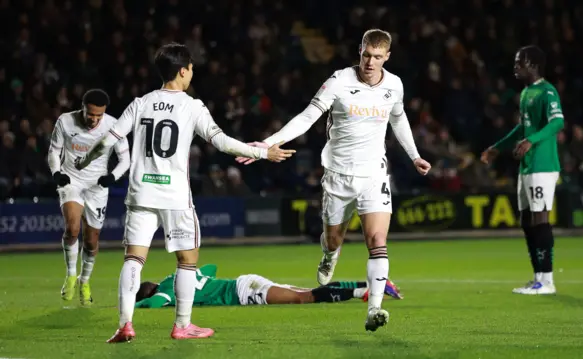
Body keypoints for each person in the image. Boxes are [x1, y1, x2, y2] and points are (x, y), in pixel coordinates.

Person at [75, 43, 295, 343]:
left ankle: (125, 325)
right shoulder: (192, 106)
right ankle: (182, 325)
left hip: (141, 194)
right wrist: (261, 153)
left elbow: (107, 140)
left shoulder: (140, 102)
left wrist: (86, 162)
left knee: (133, 259)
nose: (192, 73)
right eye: (191, 68)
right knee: (187, 260)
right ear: (182, 70)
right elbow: (223, 143)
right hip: (175, 197)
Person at [236, 29, 431, 331]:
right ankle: (329, 254)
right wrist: (269, 142)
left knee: (377, 241)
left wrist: (414, 155)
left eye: (377, 57)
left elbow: (398, 117)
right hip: (339, 175)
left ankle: (374, 309)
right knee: (334, 239)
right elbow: (307, 116)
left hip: (373, 174)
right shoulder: (339, 81)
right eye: (366, 54)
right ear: (360, 51)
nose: (370, 62)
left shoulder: (394, 85)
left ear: (387, 57)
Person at [481, 45, 564, 295]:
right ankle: (537, 277)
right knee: (527, 220)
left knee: (540, 218)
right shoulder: (527, 92)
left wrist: (532, 141)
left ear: (533, 64)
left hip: (543, 164)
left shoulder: (547, 92)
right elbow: (522, 129)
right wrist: (498, 147)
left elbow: (558, 122)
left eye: (520, 62)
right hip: (527, 166)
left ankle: (547, 280)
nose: (515, 67)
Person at [47, 89, 130, 306]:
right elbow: (54, 151)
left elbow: (125, 160)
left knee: (92, 241)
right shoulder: (65, 121)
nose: (94, 120)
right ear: (82, 108)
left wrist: (112, 177)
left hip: (97, 186)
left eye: (98, 116)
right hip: (71, 181)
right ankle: (71, 275)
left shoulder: (113, 125)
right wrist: (57, 173)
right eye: (90, 114)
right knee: (72, 229)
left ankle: (85, 281)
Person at [135, 264, 403, 309]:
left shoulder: (166, 291)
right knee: (306, 292)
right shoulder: (177, 276)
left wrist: (137, 304)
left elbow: (157, 303)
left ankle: (363, 292)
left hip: (245, 292)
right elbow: (210, 268)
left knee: (306, 297)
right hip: (246, 282)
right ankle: (375, 284)